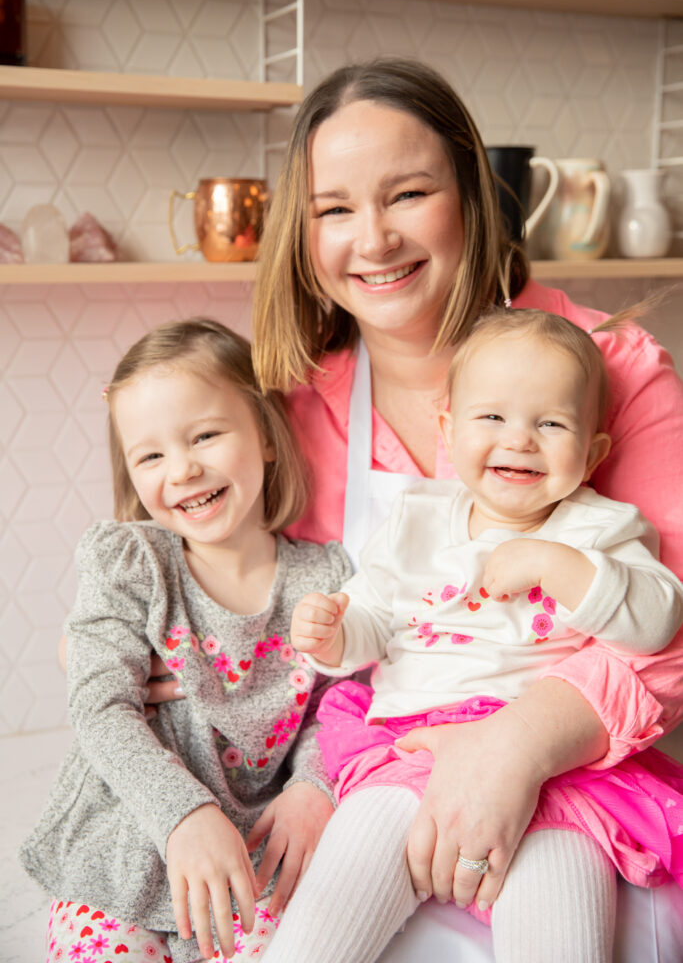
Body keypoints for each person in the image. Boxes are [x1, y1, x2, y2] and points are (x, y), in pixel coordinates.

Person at [245, 56, 683, 959]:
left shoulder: (613, 369)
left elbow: (668, 633)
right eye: (334, 209)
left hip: (578, 782)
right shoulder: (294, 408)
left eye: (406, 194)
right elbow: (294, 628)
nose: (371, 240)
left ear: (471, 199)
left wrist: (513, 749)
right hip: (387, 771)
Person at [265, 306, 683, 963]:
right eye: (491, 418)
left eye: (549, 423)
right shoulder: (417, 521)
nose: (518, 440)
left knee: (561, 920)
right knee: (328, 909)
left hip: (560, 773)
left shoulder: (597, 529)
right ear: (447, 430)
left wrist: (564, 568)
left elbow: (659, 619)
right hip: (409, 747)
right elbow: (377, 620)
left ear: (593, 451)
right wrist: (336, 633)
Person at [21, 318, 351, 963]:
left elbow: (339, 706)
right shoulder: (132, 563)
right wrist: (183, 816)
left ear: (265, 436)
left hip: (251, 847)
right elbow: (100, 707)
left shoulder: (326, 578)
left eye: (205, 435)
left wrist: (312, 785)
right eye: (150, 455)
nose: (183, 469)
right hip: (126, 835)